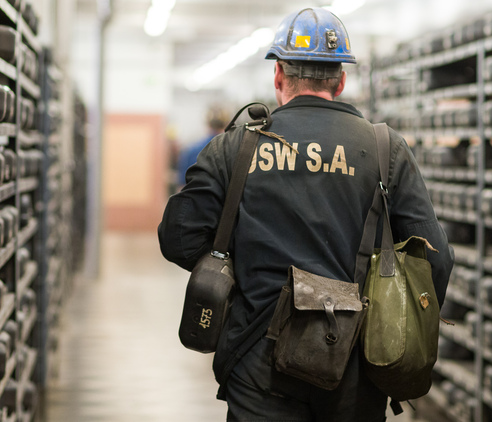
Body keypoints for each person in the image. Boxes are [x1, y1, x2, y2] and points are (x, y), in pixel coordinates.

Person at [157, 7, 454, 422]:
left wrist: (238, 266)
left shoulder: (235, 148)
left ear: (279, 77)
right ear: (342, 79)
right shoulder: (386, 149)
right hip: (353, 366)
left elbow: (178, 238)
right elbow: (435, 257)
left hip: (257, 360)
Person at [175, 107, 228, 187]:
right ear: (226, 124)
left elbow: (182, 187)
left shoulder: (191, 151)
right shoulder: (232, 150)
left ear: (208, 124)